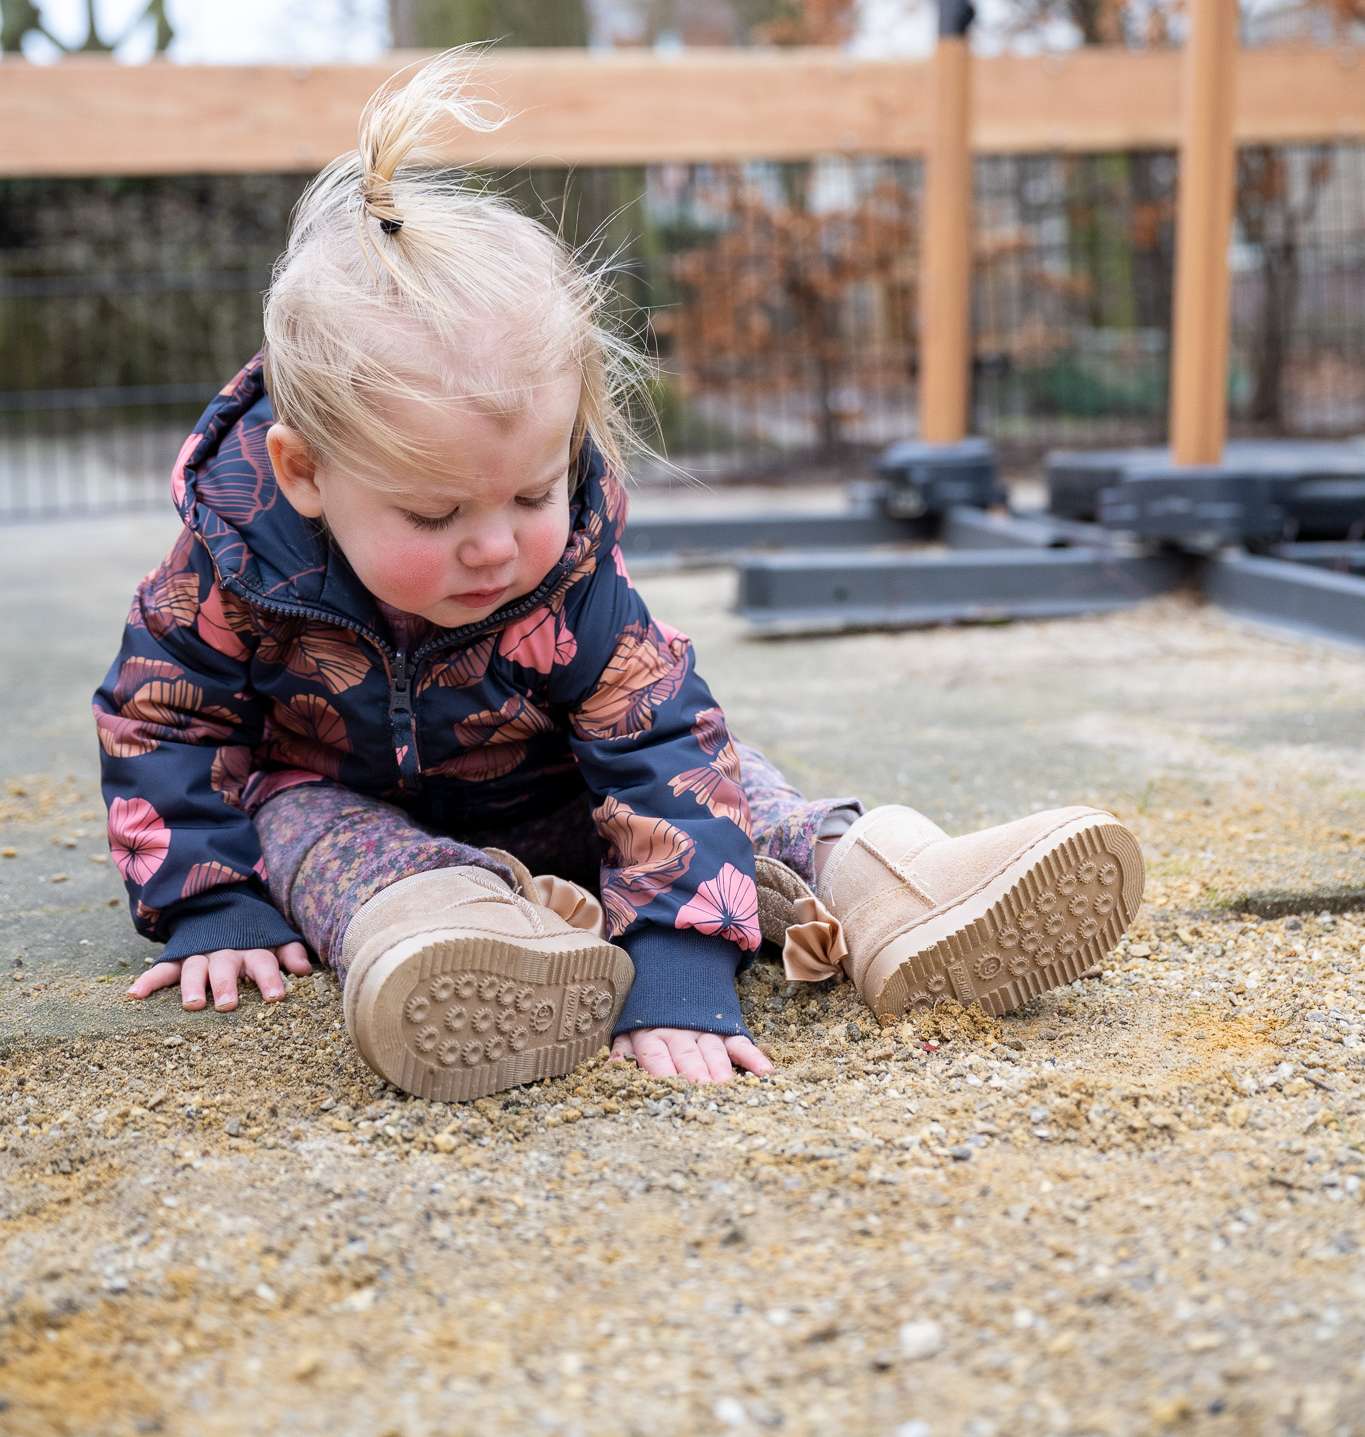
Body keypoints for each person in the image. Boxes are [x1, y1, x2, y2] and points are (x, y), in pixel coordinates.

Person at [94, 57, 1145, 1101]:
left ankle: (895, 879)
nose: (496, 547)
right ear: (305, 472)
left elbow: (657, 752)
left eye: (531, 493)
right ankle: (450, 931)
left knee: (727, 772)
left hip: (562, 788)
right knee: (302, 824)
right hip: (350, 796)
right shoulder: (236, 565)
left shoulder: (572, 582)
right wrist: (209, 900)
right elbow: (157, 719)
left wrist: (680, 964)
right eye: (434, 513)